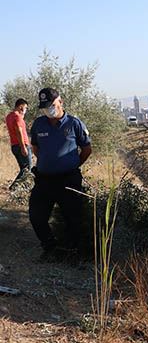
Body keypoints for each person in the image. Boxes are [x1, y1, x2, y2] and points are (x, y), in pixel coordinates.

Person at [29, 88, 92, 259]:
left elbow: (86, 149)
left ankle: (73, 253)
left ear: (60, 102)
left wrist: (72, 165)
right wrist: (49, 163)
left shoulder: (74, 123)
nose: (49, 109)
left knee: (73, 219)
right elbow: (36, 148)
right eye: (45, 106)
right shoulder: (39, 124)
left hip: (68, 180)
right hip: (44, 180)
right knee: (36, 216)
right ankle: (50, 247)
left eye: (52, 105)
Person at [5, 98, 33, 189]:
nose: (25, 111)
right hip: (22, 145)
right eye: (25, 108)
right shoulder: (18, 117)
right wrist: (23, 147)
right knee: (27, 170)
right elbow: (19, 131)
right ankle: (14, 188)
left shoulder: (9, 116)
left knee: (23, 169)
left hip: (14, 146)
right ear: (21, 107)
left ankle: (21, 189)